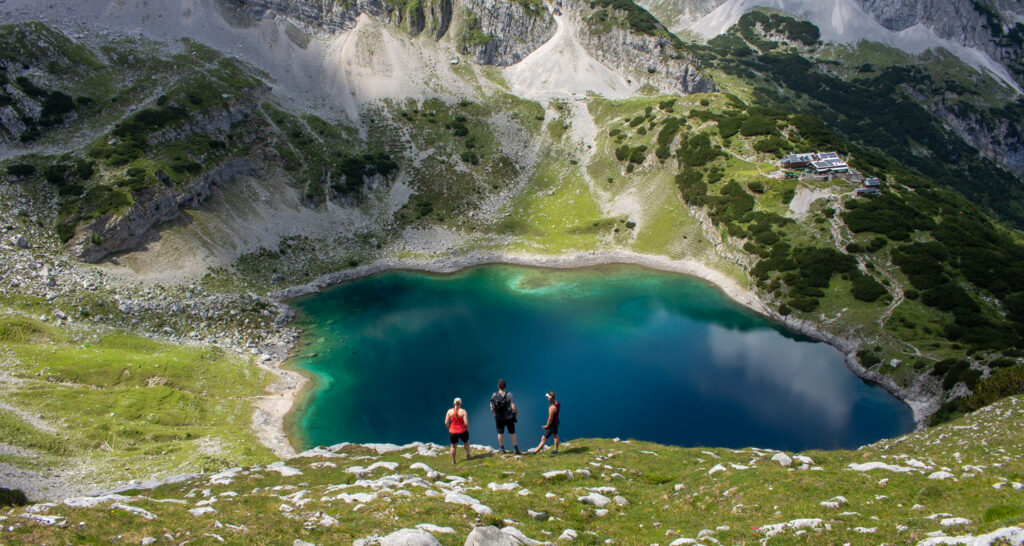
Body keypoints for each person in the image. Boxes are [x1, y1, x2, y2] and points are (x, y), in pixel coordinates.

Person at [490, 379, 521, 455]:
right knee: (512, 432)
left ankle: (502, 449)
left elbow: (491, 405)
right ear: (505, 386)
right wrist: (516, 412)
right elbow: (513, 407)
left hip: (498, 417)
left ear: (498, 386)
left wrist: (493, 412)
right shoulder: (509, 395)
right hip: (508, 417)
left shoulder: (494, 395)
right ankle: (516, 449)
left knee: (500, 433)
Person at [445, 397, 471, 464]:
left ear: (454, 403)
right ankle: (468, 456)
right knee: (466, 443)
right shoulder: (463, 411)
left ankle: (453, 461)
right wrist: (466, 428)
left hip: (452, 432)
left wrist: (450, 428)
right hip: (462, 431)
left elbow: (446, 422)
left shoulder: (449, 411)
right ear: (461, 403)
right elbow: (466, 423)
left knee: (453, 446)